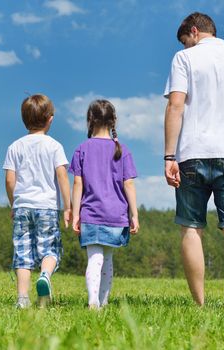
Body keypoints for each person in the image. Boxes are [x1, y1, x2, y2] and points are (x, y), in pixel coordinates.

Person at [163, 12, 224, 311]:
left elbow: (175, 105)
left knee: (191, 227)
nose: (184, 48)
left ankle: (200, 303)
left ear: (194, 32)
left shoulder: (185, 60)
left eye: (185, 42)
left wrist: (170, 155)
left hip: (192, 153)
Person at [69, 99, 139, 309]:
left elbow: (77, 184)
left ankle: (93, 301)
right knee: (107, 260)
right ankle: (103, 302)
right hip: (116, 215)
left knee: (94, 258)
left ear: (90, 120)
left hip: (91, 213)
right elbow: (129, 185)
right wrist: (134, 214)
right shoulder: (122, 150)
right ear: (114, 121)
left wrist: (75, 214)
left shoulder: (82, 149)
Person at [4, 94, 71, 309]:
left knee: (22, 253)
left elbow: (9, 179)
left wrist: (14, 202)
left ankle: (22, 298)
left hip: (22, 205)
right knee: (50, 249)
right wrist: (68, 207)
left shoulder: (15, 146)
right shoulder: (54, 146)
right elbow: (62, 176)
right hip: (47, 207)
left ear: (23, 120)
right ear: (50, 119)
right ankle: (44, 275)